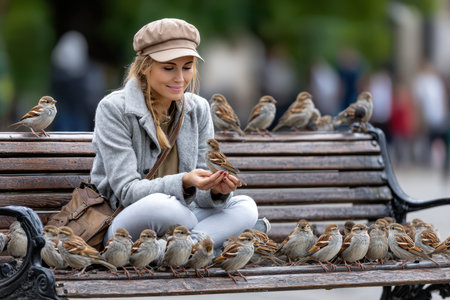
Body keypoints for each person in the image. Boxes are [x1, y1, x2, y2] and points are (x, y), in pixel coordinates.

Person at [90, 18, 264, 250]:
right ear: (145, 67)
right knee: (167, 207)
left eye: (187, 67)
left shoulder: (198, 109)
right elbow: (127, 192)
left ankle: (181, 249)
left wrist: (214, 190)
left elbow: (199, 198)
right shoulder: (113, 109)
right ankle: (207, 244)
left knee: (246, 206)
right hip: (126, 221)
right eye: (169, 68)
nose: (180, 79)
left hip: (183, 219)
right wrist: (183, 181)